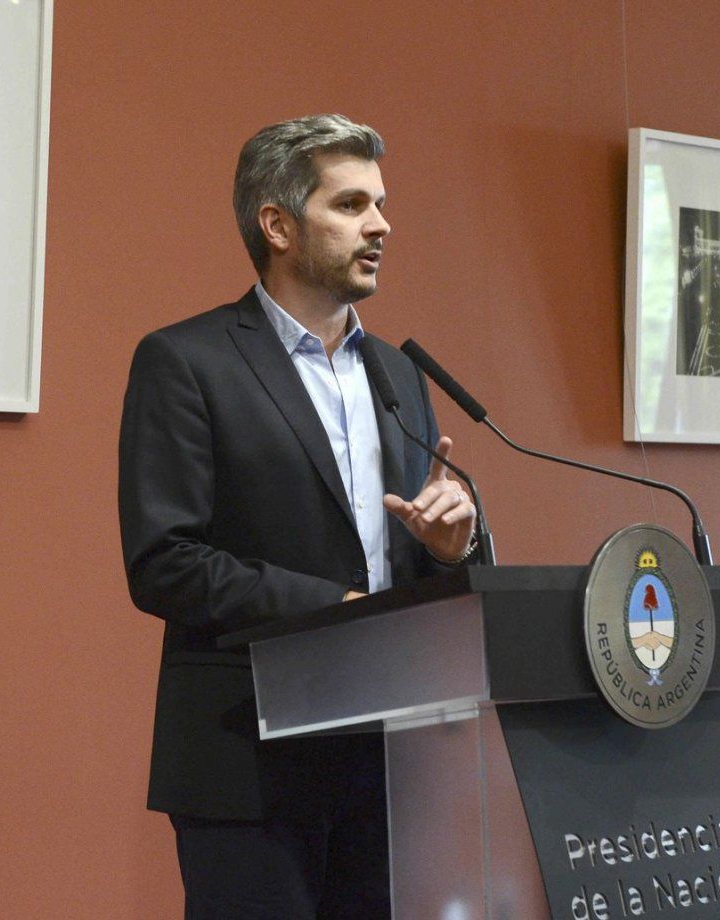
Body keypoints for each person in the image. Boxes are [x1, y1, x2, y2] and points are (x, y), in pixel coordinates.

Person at [118, 114, 477, 918]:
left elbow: (411, 555)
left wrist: (453, 544)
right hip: (247, 765)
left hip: (386, 763)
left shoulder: (397, 372)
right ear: (277, 226)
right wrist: (336, 613)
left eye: (380, 204)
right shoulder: (187, 362)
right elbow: (164, 561)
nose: (380, 225)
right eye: (350, 205)